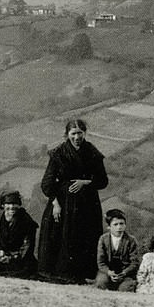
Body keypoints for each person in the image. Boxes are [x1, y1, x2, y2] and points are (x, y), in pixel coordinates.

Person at [37, 119, 109, 283]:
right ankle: (60, 274)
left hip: (87, 205)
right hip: (63, 204)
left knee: (85, 237)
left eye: (80, 133)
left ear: (85, 133)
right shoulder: (58, 154)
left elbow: (103, 181)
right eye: (73, 134)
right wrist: (55, 203)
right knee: (63, 236)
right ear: (67, 135)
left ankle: (84, 274)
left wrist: (85, 182)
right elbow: (47, 183)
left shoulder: (92, 152)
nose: (77, 137)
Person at [95, 209, 140, 292]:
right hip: (108, 272)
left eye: (121, 224)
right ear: (109, 226)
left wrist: (124, 272)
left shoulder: (131, 240)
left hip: (126, 274)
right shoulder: (103, 239)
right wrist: (109, 272)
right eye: (115, 224)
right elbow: (101, 262)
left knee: (126, 288)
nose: (119, 227)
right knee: (101, 283)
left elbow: (135, 262)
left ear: (125, 225)